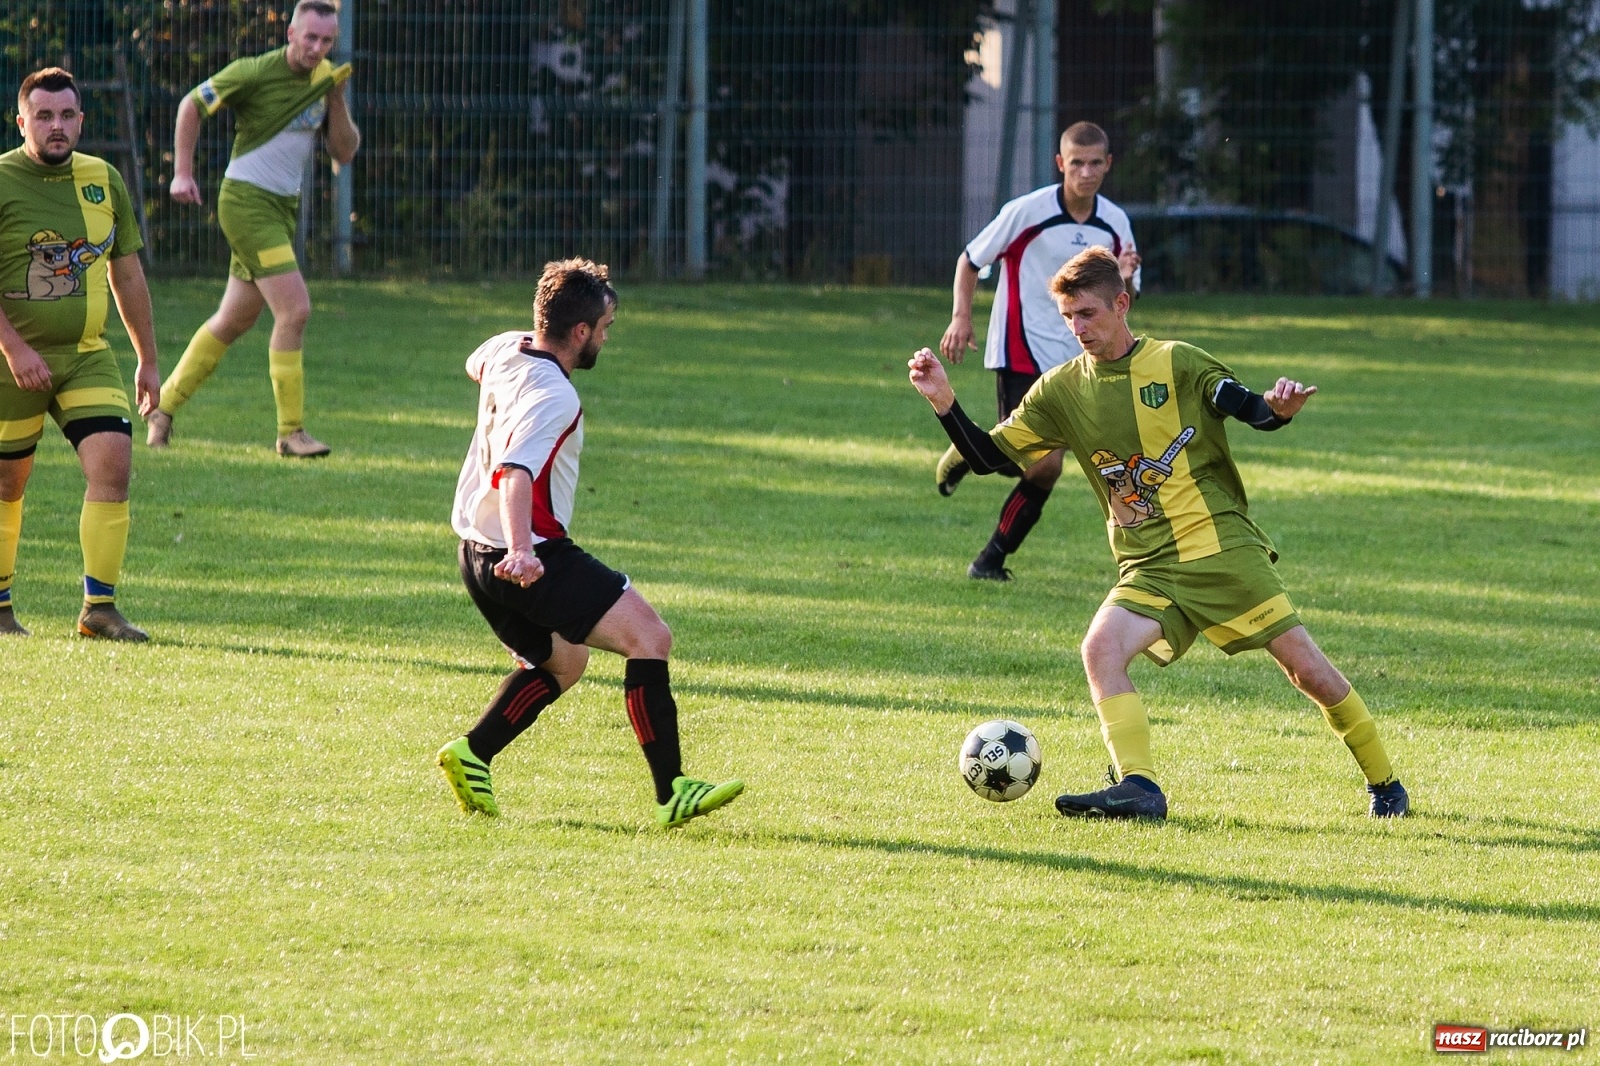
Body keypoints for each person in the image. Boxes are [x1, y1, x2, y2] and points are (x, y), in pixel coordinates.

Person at [909, 247, 1409, 819]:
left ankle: (1386, 783)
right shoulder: (1060, 390)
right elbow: (987, 455)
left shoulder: (1178, 363)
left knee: (1307, 671)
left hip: (1220, 549)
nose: (1078, 329)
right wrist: (944, 401)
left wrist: (1281, 407)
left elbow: (1252, 410)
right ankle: (1140, 788)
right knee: (1100, 649)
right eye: (1069, 317)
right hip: (1148, 563)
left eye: (1089, 314)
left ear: (1122, 304)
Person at [436, 258, 745, 829]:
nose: (605, 336)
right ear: (580, 332)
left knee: (565, 662)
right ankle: (672, 789)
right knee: (650, 637)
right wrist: (524, 550)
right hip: (527, 555)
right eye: (604, 327)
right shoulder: (555, 396)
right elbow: (515, 472)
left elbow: (474, 363)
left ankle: (472, 753)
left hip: (473, 552)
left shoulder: (507, 347)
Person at [149, 0, 358, 458]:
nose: (318, 48)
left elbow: (344, 153)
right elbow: (191, 105)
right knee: (295, 310)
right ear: (290, 33)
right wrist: (182, 173)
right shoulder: (254, 71)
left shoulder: (326, 81)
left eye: (327, 41)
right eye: (311, 38)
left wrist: (336, 101)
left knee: (234, 319)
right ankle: (291, 432)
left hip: (281, 209)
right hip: (246, 202)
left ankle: (161, 409)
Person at [937, 121, 1140, 580]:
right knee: (1035, 459)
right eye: (1076, 163)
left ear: (1108, 165)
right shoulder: (1026, 211)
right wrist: (961, 317)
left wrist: (1126, 276)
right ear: (1060, 165)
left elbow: (1124, 300)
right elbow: (970, 260)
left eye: (1095, 164)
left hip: (1080, 358)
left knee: (1045, 468)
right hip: (1021, 345)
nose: (1085, 172)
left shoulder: (1116, 223)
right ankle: (968, 453)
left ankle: (990, 560)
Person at [0, 68, 160, 641]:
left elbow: (126, 270)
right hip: (8, 362)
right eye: (43, 116)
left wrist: (148, 358)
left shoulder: (103, 179)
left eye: (67, 115)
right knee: (7, 485)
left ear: (81, 121)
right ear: (21, 122)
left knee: (113, 461)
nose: (56, 126)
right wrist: (14, 347)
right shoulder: (1, 179)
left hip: (85, 355)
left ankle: (99, 609)